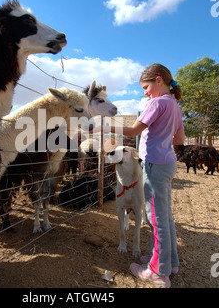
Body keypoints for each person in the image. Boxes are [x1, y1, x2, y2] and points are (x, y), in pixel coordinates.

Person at [92, 63, 185, 288]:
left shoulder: (156, 102)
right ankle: (169, 262)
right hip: (168, 163)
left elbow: (133, 131)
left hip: (155, 165)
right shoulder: (174, 104)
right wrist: (160, 139)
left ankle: (158, 272)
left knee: (156, 219)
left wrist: (107, 126)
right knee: (166, 216)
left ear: (159, 81)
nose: (144, 91)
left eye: (146, 86)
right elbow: (179, 140)